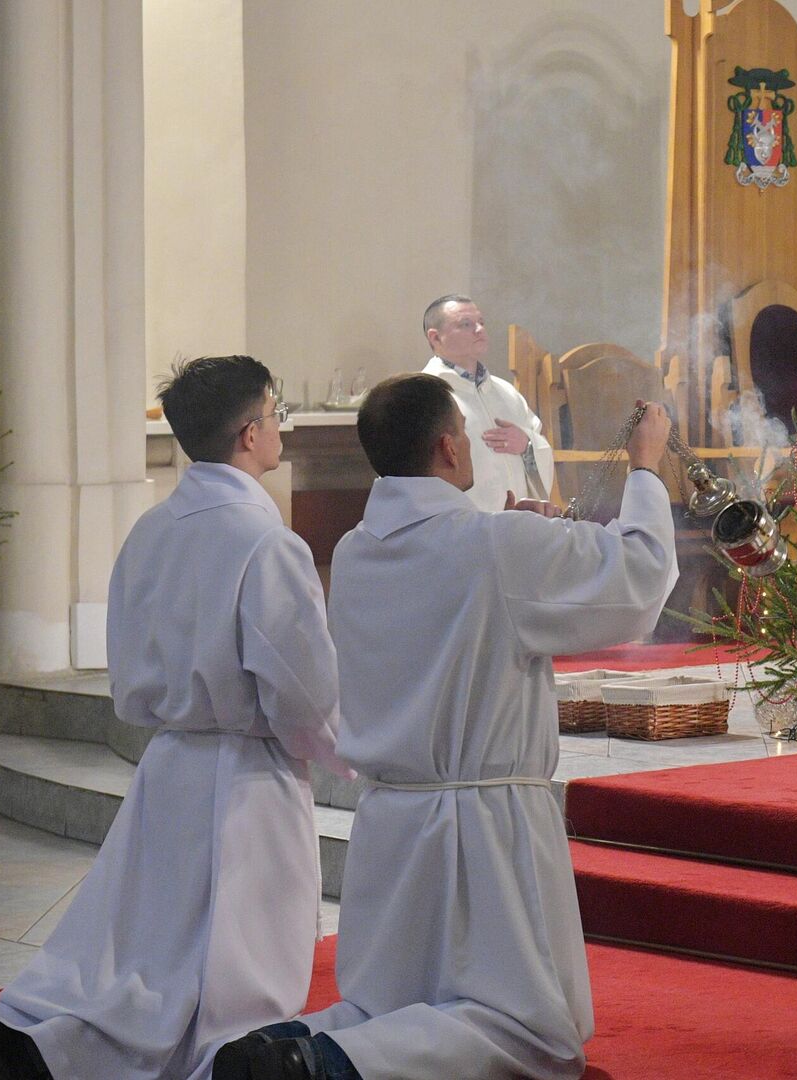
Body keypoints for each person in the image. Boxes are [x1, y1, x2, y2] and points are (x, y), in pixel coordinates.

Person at [214, 374, 679, 1080]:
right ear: (447, 447)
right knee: (533, 1035)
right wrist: (645, 468)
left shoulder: (358, 548)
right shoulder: (497, 544)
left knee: (389, 1003)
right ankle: (321, 1063)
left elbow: (473, 590)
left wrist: (527, 538)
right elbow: (638, 578)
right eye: (463, 433)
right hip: (483, 824)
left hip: (393, 820)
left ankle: (283, 1045)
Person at [0, 356, 343, 1080]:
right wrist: (337, 748)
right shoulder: (268, 542)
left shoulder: (151, 528)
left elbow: (125, 661)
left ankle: (56, 1037)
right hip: (247, 774)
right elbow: (301, 687)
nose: (283, 428)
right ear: (249, 433)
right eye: (276, 414)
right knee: (236, 968)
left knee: (151, 944)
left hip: (170, 761)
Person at [420, 294, 556, 512]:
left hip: (516, 521)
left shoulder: (505, 391)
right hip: (462, 523)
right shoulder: (425, 395)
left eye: (481, 322)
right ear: (435, 337)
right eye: (466, 324)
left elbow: (538, 447)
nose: (479, 330)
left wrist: (527, 444)